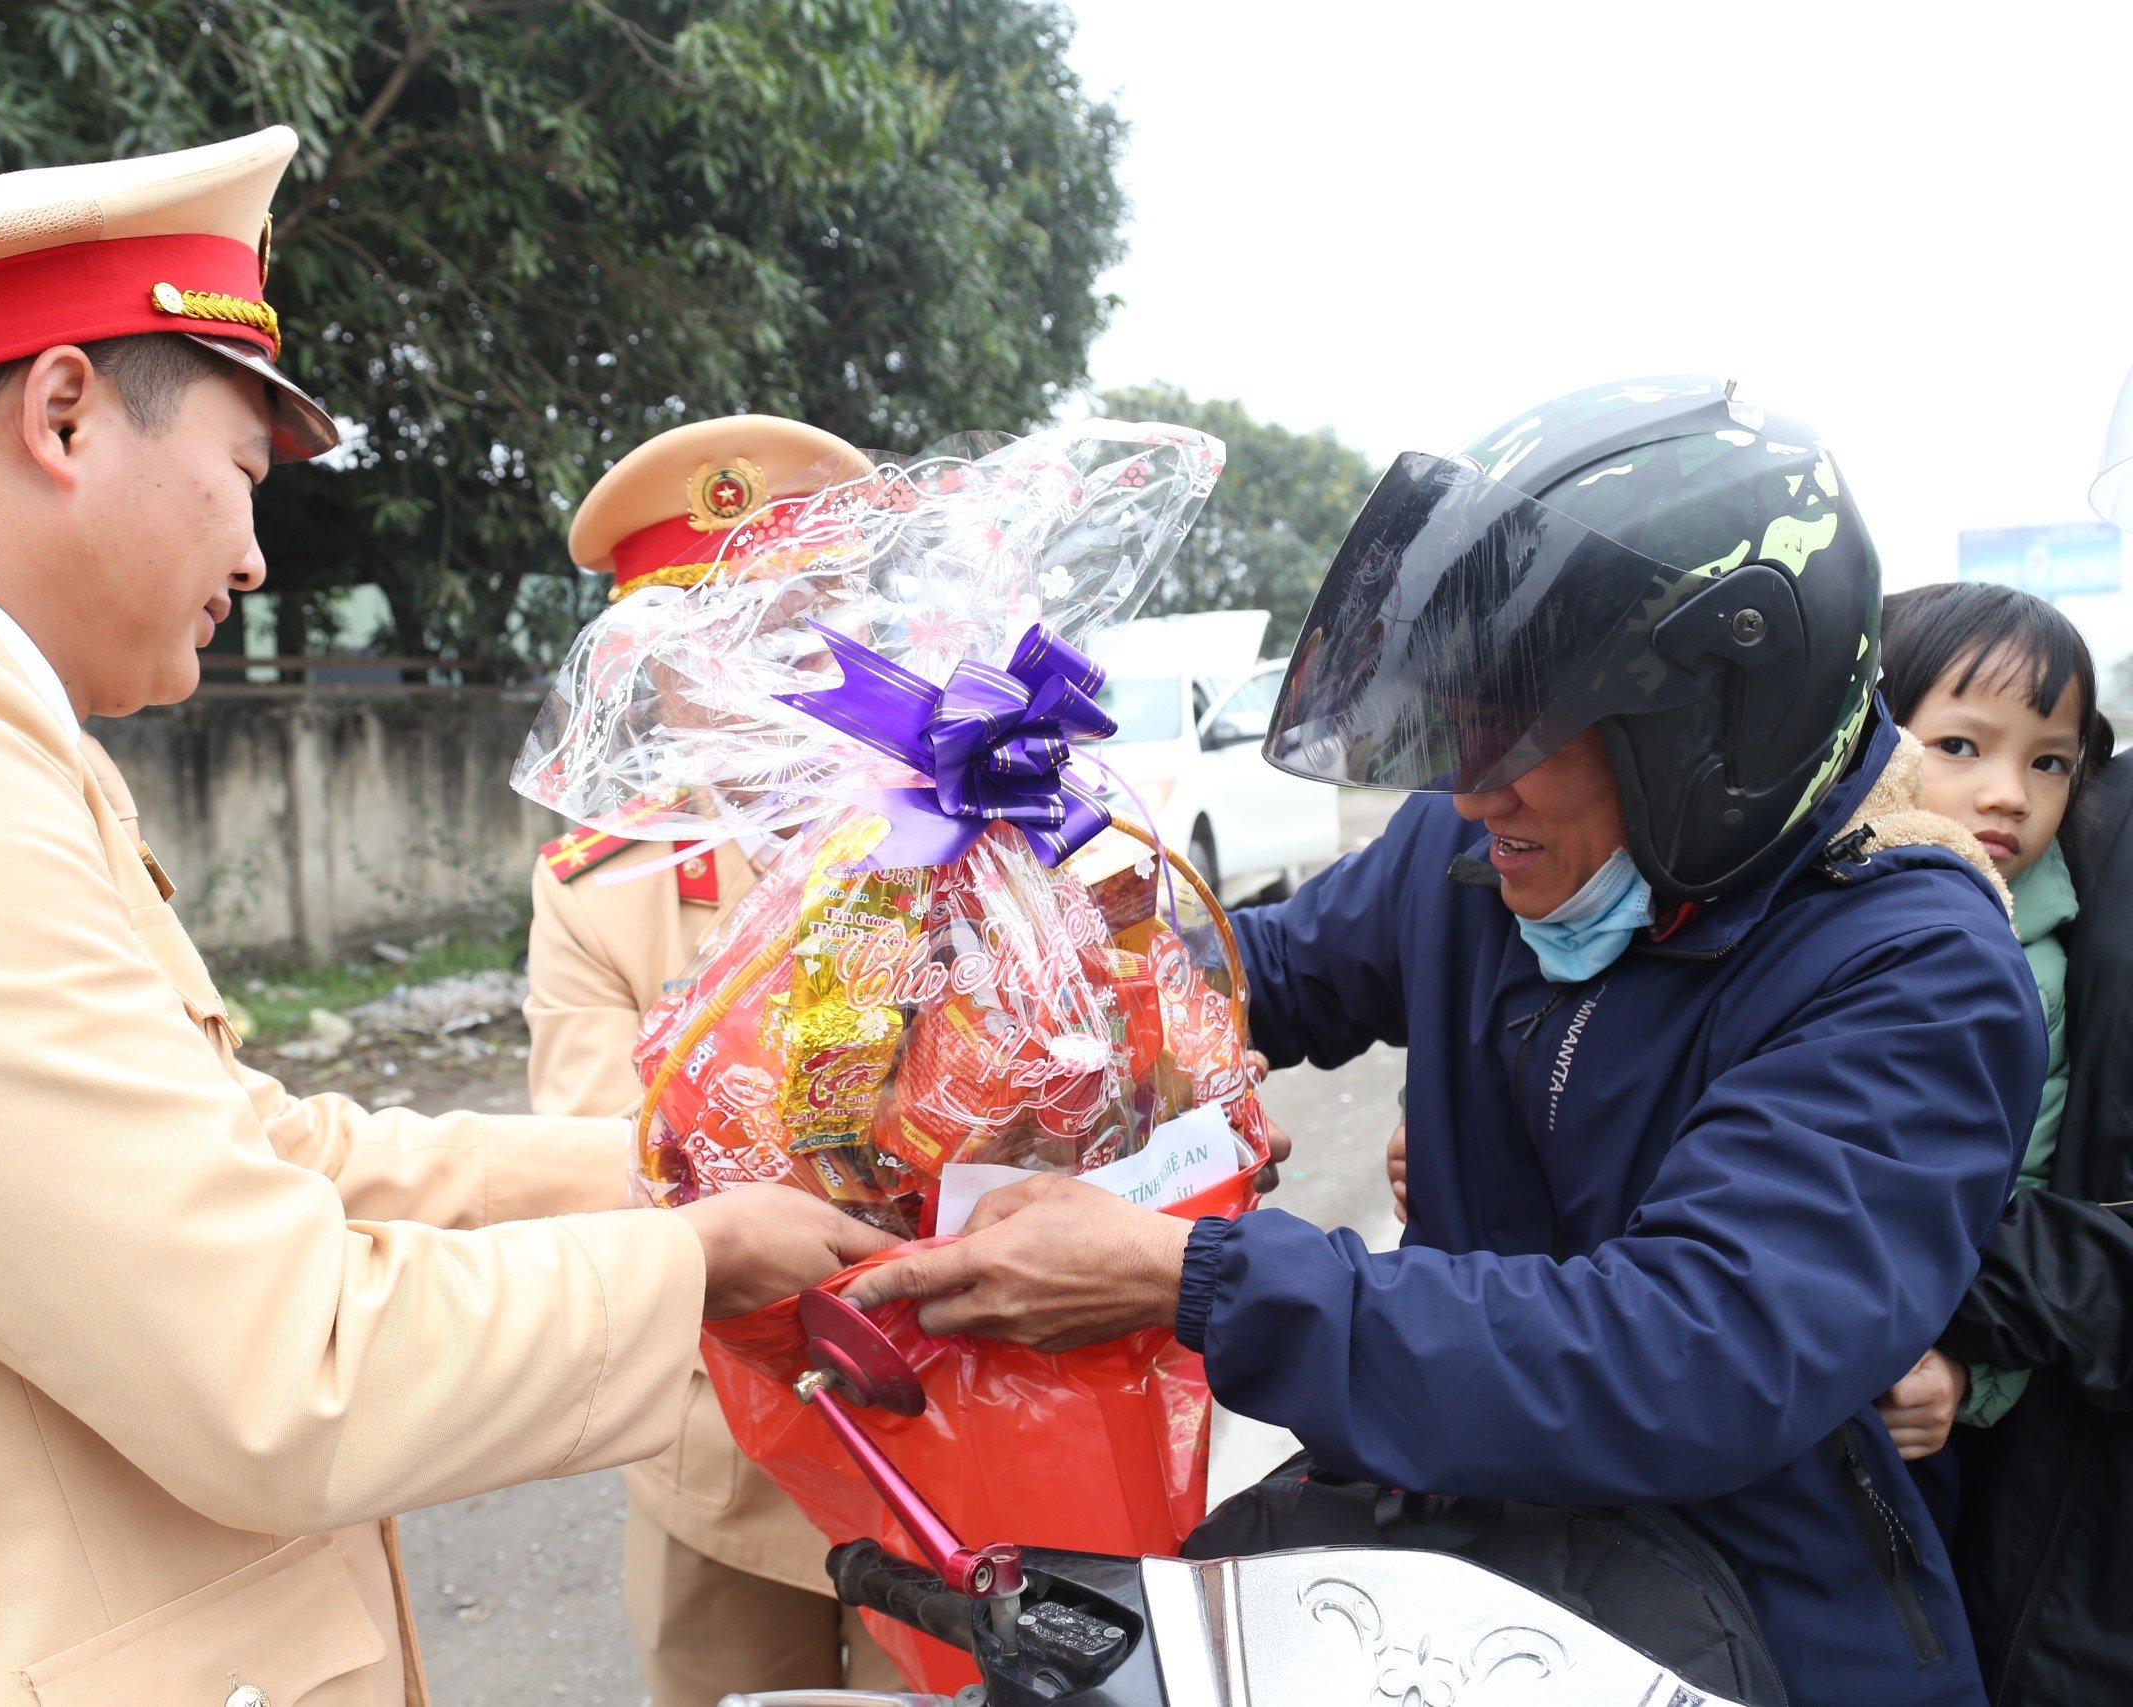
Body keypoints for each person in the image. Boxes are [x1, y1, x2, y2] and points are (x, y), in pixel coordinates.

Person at [0, 130, 889, 1706]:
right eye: (246, 474)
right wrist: (693, 1259)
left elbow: (258, 1154)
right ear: (63, 414)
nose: (258, 556)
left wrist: (672, 1164)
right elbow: (283, 1363)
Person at [854, 377, 2045, 1705]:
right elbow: (1256, 973)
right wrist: (993, 978)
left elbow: (1687, 1348)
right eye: (1465, 723)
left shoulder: (1912, 966)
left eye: (1527, 734)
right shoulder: (1471, 848)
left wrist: (1193, 1274)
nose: (1474, 784)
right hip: (1439, 1569)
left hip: (1741, 1613)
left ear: (1718, 731)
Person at [525, 414, 900, 1706]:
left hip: (968, 1410)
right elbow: (597, 1153)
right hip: (722, 1443)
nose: (756, 682)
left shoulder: (970, 830)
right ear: (656, 670)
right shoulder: (602, 888)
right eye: (711, 645)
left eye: (795, 633)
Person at [1864, 584, 2103, 1462]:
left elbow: (2014, 1201)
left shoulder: (2031, 969)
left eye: (2051, 762)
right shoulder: (1780, 899)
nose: (2009, 794)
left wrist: (1970, 1377)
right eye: (1959, 746)